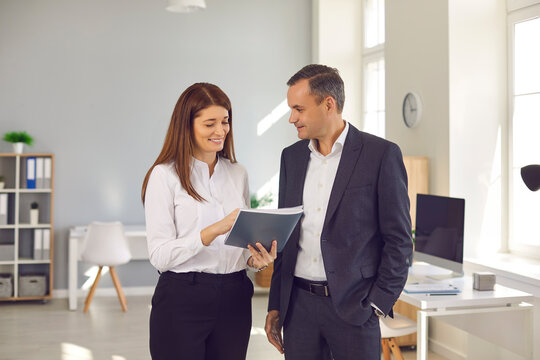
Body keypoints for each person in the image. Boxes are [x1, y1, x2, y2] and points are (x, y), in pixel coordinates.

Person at [264, 65, 413, 360]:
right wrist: (276, 304)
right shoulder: (291, 158)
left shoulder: (381, 155)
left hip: (355, 309)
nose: (292, 118)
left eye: (299, 109)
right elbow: (286, 237)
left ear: (328, 104)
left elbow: (399, 241)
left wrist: (377, 304)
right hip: (299, 310)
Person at [142, 82, 277, 360]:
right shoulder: (164, 176)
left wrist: (255, 260)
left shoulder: (238, 173)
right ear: (187, 125)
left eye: (225, 121)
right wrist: (215, 229)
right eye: (209, 123)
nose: (220, 131)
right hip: (182, 299)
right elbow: (159, 256)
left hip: (235, 297)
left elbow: (240, 249)